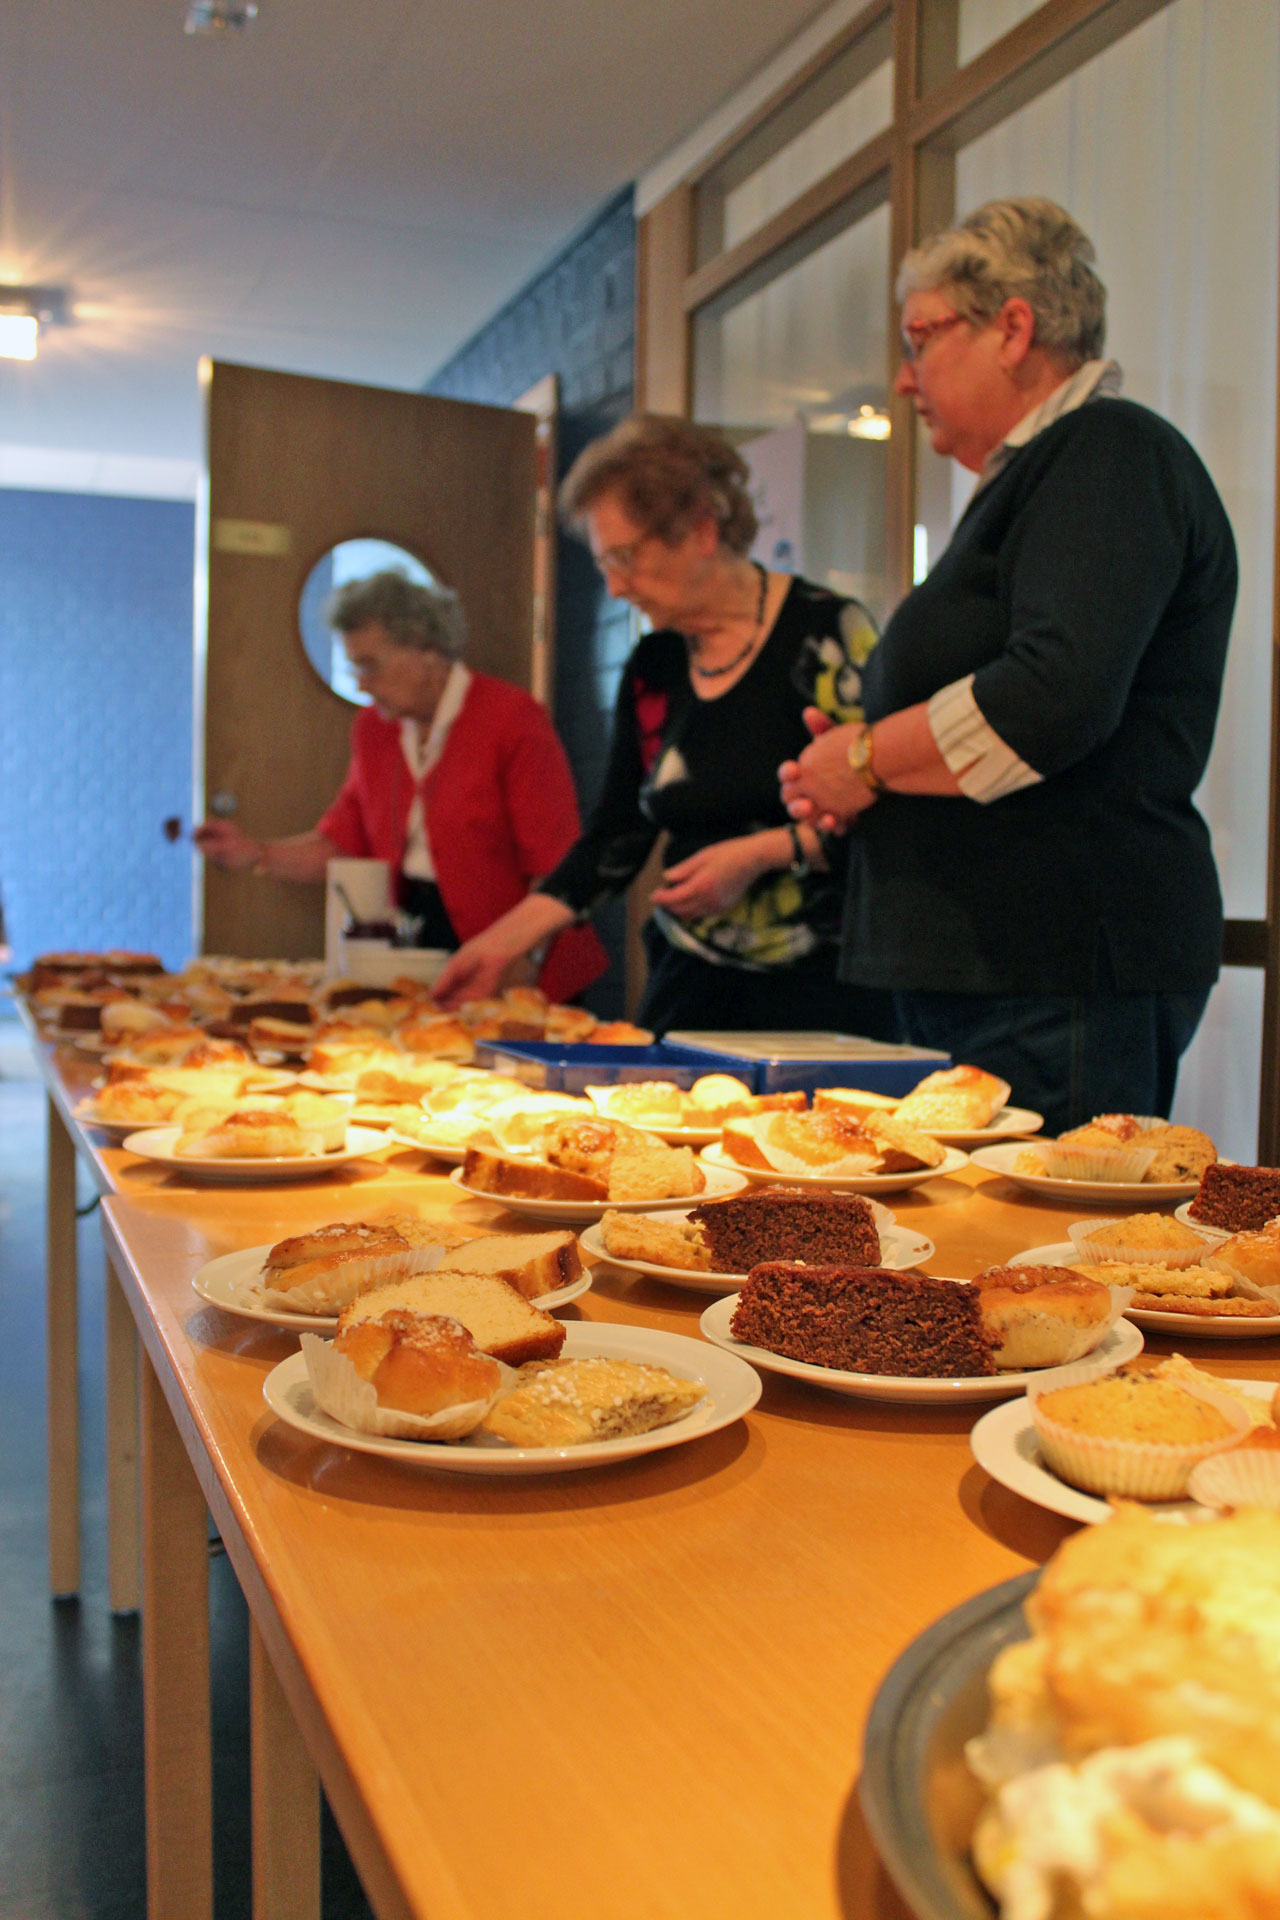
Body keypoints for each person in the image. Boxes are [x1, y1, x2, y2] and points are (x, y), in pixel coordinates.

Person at [780, 197, 1237, 1135]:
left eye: (919, 340)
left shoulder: (1108, 450)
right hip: (1001, 967)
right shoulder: (1039, 478)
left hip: (1050, 966)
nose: (905, 383)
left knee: (1030, 1264)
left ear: (1014, 328)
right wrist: (867, 777)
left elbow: (1052, 697)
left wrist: (866, 759)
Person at [434, 414, 899, 1038]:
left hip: (822, 987)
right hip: (689, 977)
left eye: (626, 559)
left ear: (702, 532)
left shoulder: (828, 632)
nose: (615, 586)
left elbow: (885, 806)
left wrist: (761, 854)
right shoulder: (654, 667)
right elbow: (615, 837)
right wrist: (498, 944)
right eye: (604, 563)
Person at [194, 571, 607, 1003]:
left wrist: (524, 962)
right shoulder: (375, 731)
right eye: (355, 668)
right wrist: (255, 853)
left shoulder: (512, 719)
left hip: (524, 952)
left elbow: (555, 863)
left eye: (370, 666)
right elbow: (340, 842)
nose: (361, 684)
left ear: (427, 650)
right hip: (419, 950)